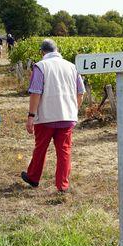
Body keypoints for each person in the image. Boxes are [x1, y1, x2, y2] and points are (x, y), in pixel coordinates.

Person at [21, 39, 84, 193]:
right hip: (67, 116)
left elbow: (36, 92)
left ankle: (33, 177)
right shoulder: (72, 67)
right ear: (57, 50)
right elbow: (80, 92)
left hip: (46, 117)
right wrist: (73, 109)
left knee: (40, 148)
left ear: (43, 52)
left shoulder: (41, 66)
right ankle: (62, 185)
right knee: (64, 151)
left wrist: (31, 116)